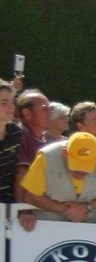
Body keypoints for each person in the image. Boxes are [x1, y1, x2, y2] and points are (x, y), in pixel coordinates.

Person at [19, 132, 96, 222]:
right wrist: (69, 210)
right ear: (65, 153)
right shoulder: (46, 157)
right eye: (77, 164)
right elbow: (32, 195)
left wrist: (86, 207)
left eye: (86, 164)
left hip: (91, 226)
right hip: (48, 225)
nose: (81, 170)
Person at [15, 89, 51, 232]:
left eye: (50, 108)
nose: (50, 112)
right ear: (27, 114)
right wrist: (23, 210)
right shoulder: (21, 135)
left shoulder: (45, 139)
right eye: (44, 109)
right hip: (27, 219)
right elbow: (21, 174)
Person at [0, 79, 21, 204]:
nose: (12, 106)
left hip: (10, 207)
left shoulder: (16, 132)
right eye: (4, 103)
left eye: (12, 101)